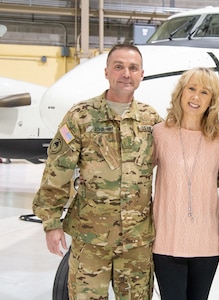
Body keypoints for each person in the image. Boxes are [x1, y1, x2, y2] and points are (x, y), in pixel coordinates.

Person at [32, 43, 162, 299]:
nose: (126, 73)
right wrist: (51, 223)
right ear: (107, 73)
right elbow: (57, 172)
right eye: (119, 67)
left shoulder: (151, 119)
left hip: (136, 242)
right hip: (91, 240)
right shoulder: (81, 117)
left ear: (141, 74)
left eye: (133, 68)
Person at [152, 67, 219, 300]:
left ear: (212, 101)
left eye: (205, 92)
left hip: (206, 242)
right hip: (167, 240)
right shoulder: (159, 133)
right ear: (181, 93)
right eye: (191, 89)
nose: (196, 97)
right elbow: (136, 174)